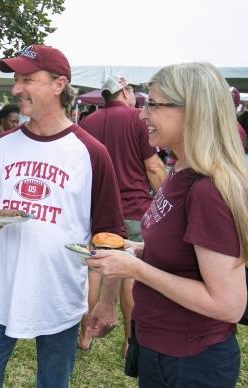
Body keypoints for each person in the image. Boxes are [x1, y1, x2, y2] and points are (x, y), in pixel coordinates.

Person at [87, 62, 248, 387]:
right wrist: (137, 250)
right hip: (159, 348)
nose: (142, 115)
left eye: (153, 105)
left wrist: (134, 269)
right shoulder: (179, 171)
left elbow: (228, 304)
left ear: (193, 111)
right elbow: (184, 254)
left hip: (191, 362)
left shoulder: (209, 190)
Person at [0, 44, 126, 387]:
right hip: (0, 293)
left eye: (26, 79)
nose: (16, 89)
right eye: (15, 80)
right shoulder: (0, 146)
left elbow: (110, 237)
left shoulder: (91, 153)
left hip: (60, 297)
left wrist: (109, 301)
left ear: (58, 85)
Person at [80, 74, 167, 352]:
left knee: (93, 271)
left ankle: (85, 335)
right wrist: (168, 203)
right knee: (129, 274)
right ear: (125, 92)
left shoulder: (87, 123)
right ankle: (130, 341)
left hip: (96, 209)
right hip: (133, 208)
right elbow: (153, 168)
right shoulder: (138, 120)